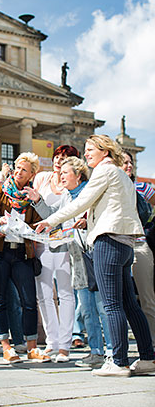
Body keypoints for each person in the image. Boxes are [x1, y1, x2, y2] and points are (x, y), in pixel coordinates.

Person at [35, 135, 155, 377]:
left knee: (112, 305)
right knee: (130, 305)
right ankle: (147, 357)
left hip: (107, 241)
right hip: (124, 243)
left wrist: (50, 220)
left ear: (104, 150)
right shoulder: (120, 174)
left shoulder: (104, 171)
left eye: (90, 149)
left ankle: (119, 361)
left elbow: (81, 202)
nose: (86, 153)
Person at [31, 157, 112, 368]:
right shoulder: (67, 195)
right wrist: (38, 200)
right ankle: (95, 351)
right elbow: (55, 216)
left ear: (78, 175)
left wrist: (88, 221)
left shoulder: (90, 191)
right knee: (86, 306)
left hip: (94, 253)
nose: (61, 176)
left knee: (102, 305)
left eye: (65, 173)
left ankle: (112, 349)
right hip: (77, 255)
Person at [0, 152, 50, 364]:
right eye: (17, 167)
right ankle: (6, 347)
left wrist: (31, 226)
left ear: (32, 173)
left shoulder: (32, 196)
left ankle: (32, 348)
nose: (18, 171)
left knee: (29, 301)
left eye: (24, 169)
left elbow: (43, 221)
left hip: (22, 252)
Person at [32, 145, 79, 361]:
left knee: (65, 293)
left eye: (65, 158)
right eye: (57, 157)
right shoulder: (42, 178)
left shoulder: (73, 184)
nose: (59, 161)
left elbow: (61, 215)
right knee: (43, 294)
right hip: (42, 241)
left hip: (64, 243)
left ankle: (65, 345)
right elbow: (34, 210)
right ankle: (52, 341)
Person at [122, 152, 155, 349]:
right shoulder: (111, 187)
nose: (128, 166)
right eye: (124, 162)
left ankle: (152, 343)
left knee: (147, 297)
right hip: (119, 245)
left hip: (140, 245)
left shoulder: (142, 187)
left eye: (130, 162)